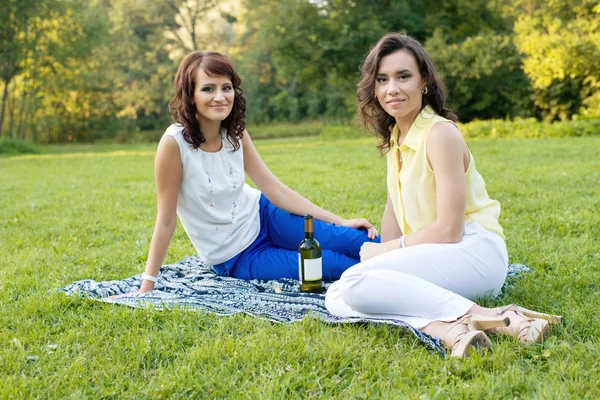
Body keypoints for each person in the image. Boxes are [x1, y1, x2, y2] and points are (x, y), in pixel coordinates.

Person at [324, 33, 562, 357]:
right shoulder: (396, 137)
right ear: (374, 88)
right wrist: (382, 255)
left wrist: (387, 253)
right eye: (382, 79)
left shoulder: (439, 134)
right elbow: (393, 210)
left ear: (423, 81)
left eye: (403, 76)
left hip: (474, 251)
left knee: (354, 283)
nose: (392, 88)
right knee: (337, 295)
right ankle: (449, 329)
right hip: (437, 253)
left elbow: (450, 230)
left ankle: (497, 318)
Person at [133, 50, 379, 295]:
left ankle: (409, 256)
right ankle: (397, 278)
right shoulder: (174, 144)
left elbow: (275, 189)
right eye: (208, 89)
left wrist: (340, 221)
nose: (220, 97)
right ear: (190, 94)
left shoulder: (234, 132)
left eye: (226, 88)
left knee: (352, 240)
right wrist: (147, 284)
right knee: (333, 264)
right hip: (238, 255)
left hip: (264, 215)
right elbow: (166, 220)